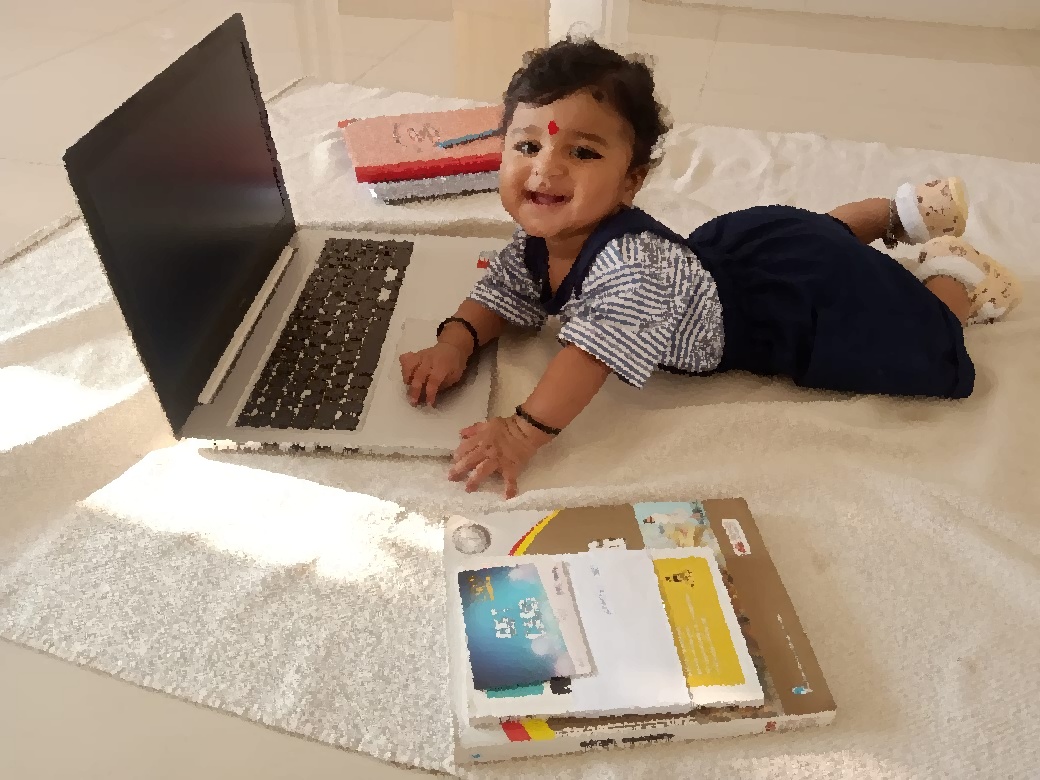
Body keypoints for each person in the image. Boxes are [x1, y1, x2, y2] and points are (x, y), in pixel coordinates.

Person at [399, 37, 1023, 499]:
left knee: (910, 338)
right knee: (814, 237)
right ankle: (902, 214)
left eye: (582, 152)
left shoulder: (633, 270)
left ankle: (952, 271)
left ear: (631, 181)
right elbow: (500, 292)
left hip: (774, 316)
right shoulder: (542, 237)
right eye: (527, 145)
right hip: (753, 254)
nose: (546, 167)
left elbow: (586, 358)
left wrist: (521, 433)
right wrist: (456, 342)